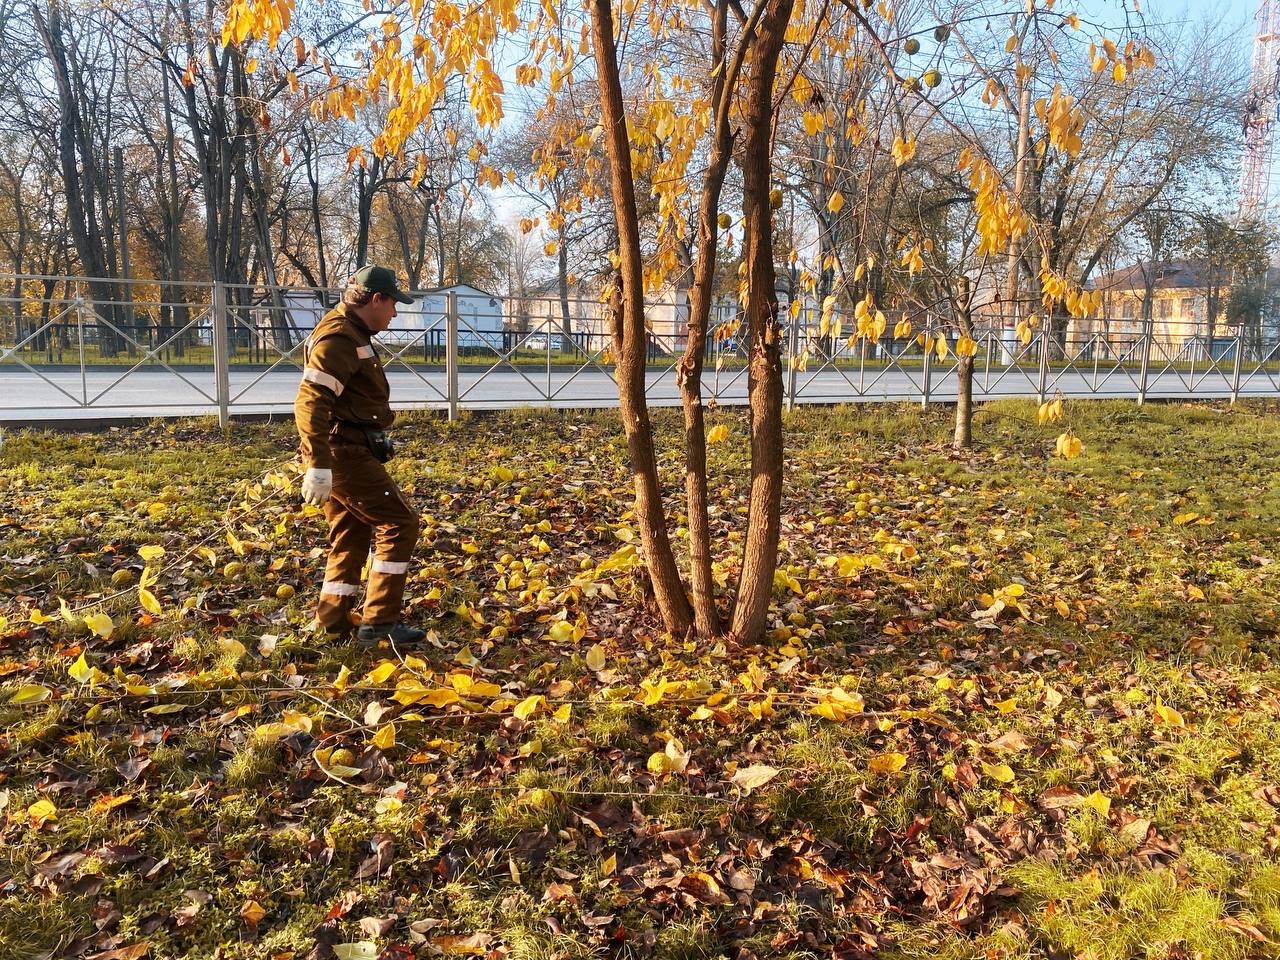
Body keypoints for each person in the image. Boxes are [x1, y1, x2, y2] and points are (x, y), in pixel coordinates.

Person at [294, 265, 424, 647]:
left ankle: (333, 619)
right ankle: (380, 622)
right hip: (343, 454)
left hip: (347, 449)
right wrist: (318, 464)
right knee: (400, 523)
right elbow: (310, 402)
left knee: (351, 533)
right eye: (393, 304)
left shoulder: (353, 332)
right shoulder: (338, 338)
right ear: (377, 299)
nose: (395, 313)